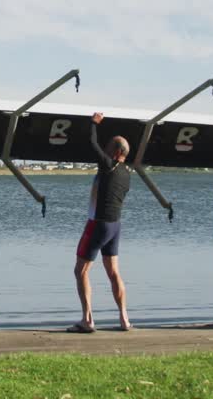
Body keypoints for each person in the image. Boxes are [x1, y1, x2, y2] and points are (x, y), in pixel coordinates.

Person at [69, 111, 134, 333]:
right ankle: (124, 319)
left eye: (108, 148)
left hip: (98, 225)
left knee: (81, 271)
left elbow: (91, 143)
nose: (104, 151)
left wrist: (93, 123)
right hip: (115, 227)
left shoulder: (109, 166)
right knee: (113, 272)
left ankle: (87, 320)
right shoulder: (127, 173)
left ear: (116, 153)